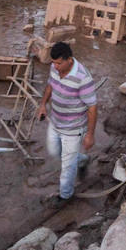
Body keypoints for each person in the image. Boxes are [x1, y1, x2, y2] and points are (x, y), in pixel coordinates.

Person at [36, 42, 97, 208]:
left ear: (69, 59)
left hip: (73, 129)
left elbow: (92, 108)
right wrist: (43, 105)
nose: (55, 67)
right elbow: (50, 85)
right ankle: (82, 160)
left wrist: (90, 135)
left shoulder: (83, 78)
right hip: (56, 122)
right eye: (53, 63)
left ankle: (65, 195)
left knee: (67, 166)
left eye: (58, 63)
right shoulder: (54, 68)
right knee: (55, 151)